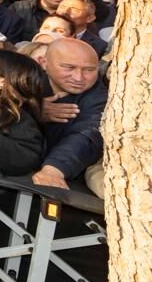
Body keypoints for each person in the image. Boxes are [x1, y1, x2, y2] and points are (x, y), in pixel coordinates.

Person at [32, 38, 106, 189]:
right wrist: (30, 110)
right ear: (44, 63)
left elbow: (87, 135)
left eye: (89, 70)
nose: (78, 77)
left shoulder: (100, 99)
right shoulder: (23, 80)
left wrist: (54, 169)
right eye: (68, 67)